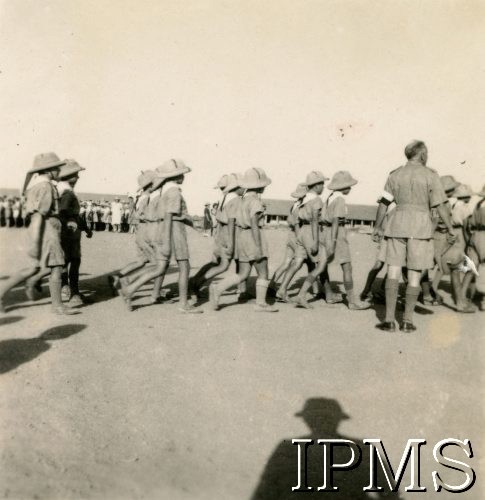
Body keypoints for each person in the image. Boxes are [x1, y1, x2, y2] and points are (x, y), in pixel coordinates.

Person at [373, 140, 454, 332]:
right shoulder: (431, 175)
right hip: (420, 228)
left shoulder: (395, 174)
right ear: (423, 155)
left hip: (397, 225)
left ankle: (389, 320)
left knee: (393, 270)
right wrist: (450, 228)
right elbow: (440, 205)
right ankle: (408, 321)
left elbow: (384, 203)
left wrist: (377, 226)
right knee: (414, 273)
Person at [120, 159, 202, 313]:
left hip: (162, 229)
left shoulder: (164, 191)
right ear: (175, 176)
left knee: (160, 267)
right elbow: (171, 216)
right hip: (174, 230)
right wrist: (166, 240)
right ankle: (183, 304)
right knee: (185, 266)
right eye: (181, 174)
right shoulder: (174, 192)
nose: (184, 177)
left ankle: (130, 288)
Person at [0, 152, 76, 315]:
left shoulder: (37, 185)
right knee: (56, 266)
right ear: (49, 170)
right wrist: (35, 242)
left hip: (43, 229)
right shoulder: (46, 187)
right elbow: (38, 216)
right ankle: (58, 306)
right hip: (47, 230)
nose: (59, 172)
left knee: (33, 268)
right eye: (57, 168)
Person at [25, 159, 93, 306]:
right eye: (76, 174)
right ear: (69, 176)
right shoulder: (67, 192)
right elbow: (64, 213)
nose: (78, 177)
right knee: (71, 261)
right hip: (69, 233)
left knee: (64, 262)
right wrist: (73, 223)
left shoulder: (62, 189)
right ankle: (73, 294)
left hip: (65, 231)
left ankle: (60, 287)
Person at [209, 167, 278, 312]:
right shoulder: (255, 202)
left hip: (242, 237)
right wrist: (258, 247)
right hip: (253, 237)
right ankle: (261, 303)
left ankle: (218, 288)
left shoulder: (241, 200)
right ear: (259, 185)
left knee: (243, 273)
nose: (265, 187)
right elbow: (254, 225)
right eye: (264, 185)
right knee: (263, 271)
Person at [190, 173, 244, 299]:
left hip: (220, 234)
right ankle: (196, 284)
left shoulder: (223, 199)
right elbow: (231, 221)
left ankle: (195, 280)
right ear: (235, 187)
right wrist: (231, 242)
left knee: (215, 262)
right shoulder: (235, 200)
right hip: (229, 234)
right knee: (223, 265)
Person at [276, 171, 327, 304]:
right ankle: (302, 295)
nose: (323, 187)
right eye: (322, 184)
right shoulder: (316, 200)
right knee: (321, 265)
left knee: (297, 262)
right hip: (311, 231)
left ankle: (282, 290)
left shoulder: (303, 200)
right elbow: (315, 221)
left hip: (302, 232)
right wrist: (315, 241)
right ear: (316, 185)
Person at [108, 171, 157, 296]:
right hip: (145, 232)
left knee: (141, 262)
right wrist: (154, 218)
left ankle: (116, 276)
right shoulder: (147, 198)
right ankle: (154, 290)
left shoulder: (141, 197)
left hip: (140, 231)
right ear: (151, 185)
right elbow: (139, 214)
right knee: (157, 264)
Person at [269, 183, 307, 290]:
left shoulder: (293, 205)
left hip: (290, 236)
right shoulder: (301, 207)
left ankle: (271, 284)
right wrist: (301, 239)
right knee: (305, 263)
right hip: (297, 235)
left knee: (286, 263)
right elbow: (297, 225)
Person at [461, 184, 485, 311]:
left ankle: (462, 295)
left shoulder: (478, 204)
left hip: (474, 235)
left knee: (472, 268)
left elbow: (467, 223)